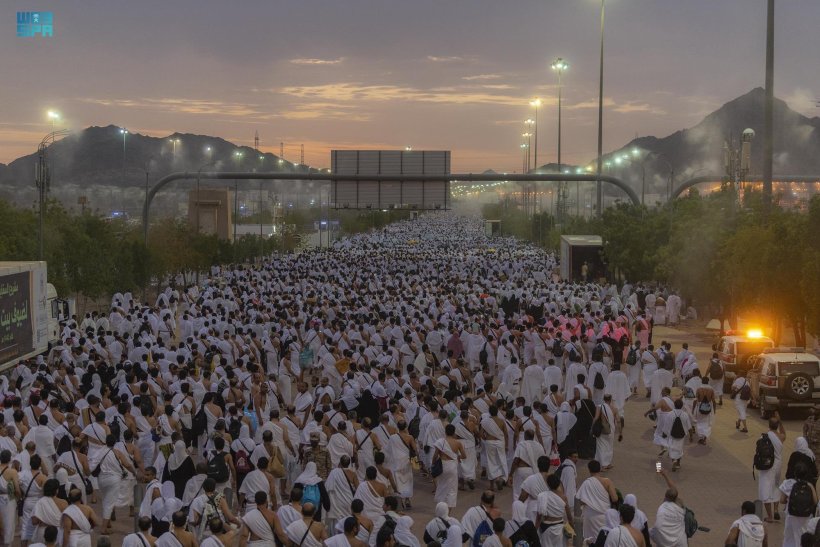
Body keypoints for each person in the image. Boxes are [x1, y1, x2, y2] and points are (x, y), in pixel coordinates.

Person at [576, 460, 618, 541]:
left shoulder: (586, 483)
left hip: (590, 516)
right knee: (604, 539)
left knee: (591, 540)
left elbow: (580, 501)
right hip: (604, 515)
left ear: (589, 469)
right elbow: (615, 498)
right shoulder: (607, 481)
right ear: (599, 469)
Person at [779, 462, 818, 547]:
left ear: (795, 473)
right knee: (802, 535)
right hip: (806, 515)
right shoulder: (809, 485)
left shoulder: (788, 483)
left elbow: (782, 500)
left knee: (789, 537)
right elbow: (815, 501)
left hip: (791, 514)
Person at [759, 415, 786, 523]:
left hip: (767, 465)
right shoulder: (781, 437)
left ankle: (770, 516)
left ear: (769, 425)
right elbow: (784, 433)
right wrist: (780, 422)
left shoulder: (764, 437)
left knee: (765, 489)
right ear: (778, 425)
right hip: (778, 465)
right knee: (775, 486)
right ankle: (775, 510)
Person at [649, 470, 686, 547]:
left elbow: (658, 527)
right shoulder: (680, 504)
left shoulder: (663, 508)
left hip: (664, 542)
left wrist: (651, 533)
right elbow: (673, 489)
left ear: (665, 497)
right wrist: (665, 475)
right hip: (680, 541)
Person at [433, 424, 465, 509]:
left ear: (445, 431)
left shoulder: (440, 442)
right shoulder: (458, 443)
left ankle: (440, 509)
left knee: (441, 486)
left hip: (442, 466)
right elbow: (464, 456)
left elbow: (435, 455)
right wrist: (457, 457)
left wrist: (433, 465)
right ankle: (448, 512)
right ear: (454, 432)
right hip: (452, 466)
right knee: (452, 489)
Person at [536, 474, 572, 547]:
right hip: (560, 527)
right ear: (559, 483)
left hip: (546, 527)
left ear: (547, 484)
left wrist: (535, 529)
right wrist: (572, 528)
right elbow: (569, 517)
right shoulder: (563, 497)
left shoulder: (543, 496)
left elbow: (539, 516)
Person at [0, 448, 21, 545]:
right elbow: (17, 489)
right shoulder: (12, 472)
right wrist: (19, 498)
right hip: (8, 499)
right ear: (9, 459)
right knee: (9, 522)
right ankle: (8, 544)